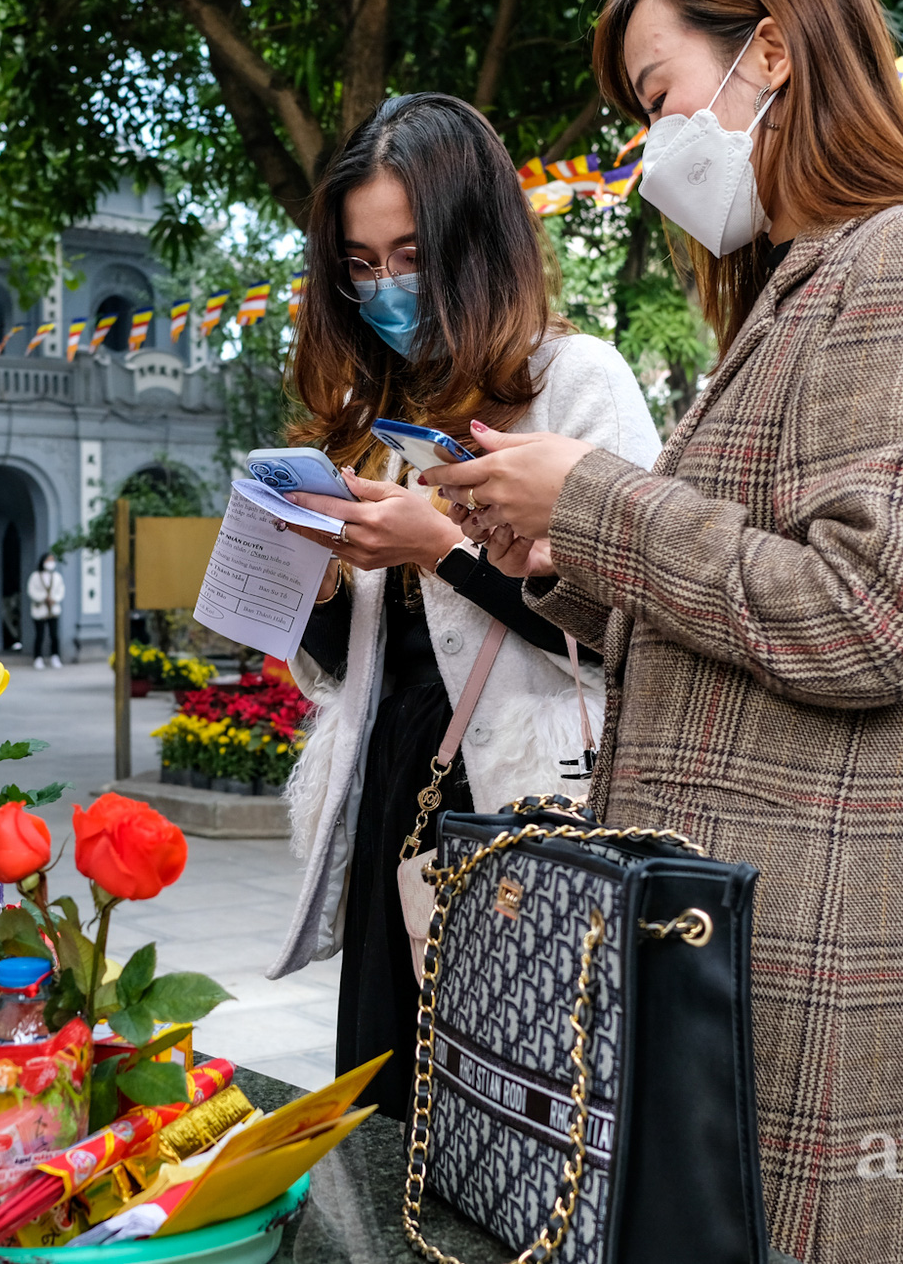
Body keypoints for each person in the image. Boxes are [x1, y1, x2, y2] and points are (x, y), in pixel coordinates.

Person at [423, 0, 903, 1259]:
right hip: (741, 942)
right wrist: (552, 555)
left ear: (771, 47)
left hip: (830, 961)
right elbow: (733, 608)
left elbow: (867, 618)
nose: (653, 145)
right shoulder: (803, 290)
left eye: (656, 93)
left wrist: (596, 498)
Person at [265, 92, 663, 1120]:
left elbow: (634, 625)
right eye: (360, 264)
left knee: (519, 1106)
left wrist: (441, 548)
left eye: (409, 253)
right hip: (398, 789)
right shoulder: (376, 409)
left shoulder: (575, 384)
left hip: (520, 804)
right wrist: (307, 586)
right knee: (390, 1104)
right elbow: (371, 656)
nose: (386, 286)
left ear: (474, 243)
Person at [28, 553, 66, 668]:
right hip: (40, 610)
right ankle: (38, 658)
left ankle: (55, 656)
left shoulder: (57, 576)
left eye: (52, 560)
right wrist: (43, 598)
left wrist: (55, 599)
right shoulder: (35, 576)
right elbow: (31, 591)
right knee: (40, 635)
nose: (51, 562)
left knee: (54, 635)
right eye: (48, 560)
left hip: (53, 610)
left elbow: (61, 590)